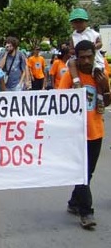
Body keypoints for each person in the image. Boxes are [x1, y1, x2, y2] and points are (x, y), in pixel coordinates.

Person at [59, 40, 110, 230]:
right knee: (82, 174)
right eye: (83, 58)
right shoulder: (70, 77)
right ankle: (86, 212)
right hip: (75, 134)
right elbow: (59, 102)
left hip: (96, 132)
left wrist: (104, 87)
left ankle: (74, 202)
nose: (87, 60)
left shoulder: (100, 74)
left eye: (90, 56)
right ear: (77, 59)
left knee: (88, 173)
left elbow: (107, 102)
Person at [67, 8, 106, 113]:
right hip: (78, 59)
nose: (78, 23)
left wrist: (93, 47)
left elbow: (100, 43)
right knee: (71, 63)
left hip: (94, 59)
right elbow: (70, 49)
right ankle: (77, 82)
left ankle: (100, 98)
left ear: (86, 22)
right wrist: (75, 51)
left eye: (81, 21)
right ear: (72, 23)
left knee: (98, 74)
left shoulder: (93, 33)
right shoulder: (73, 36)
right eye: (75, 21)